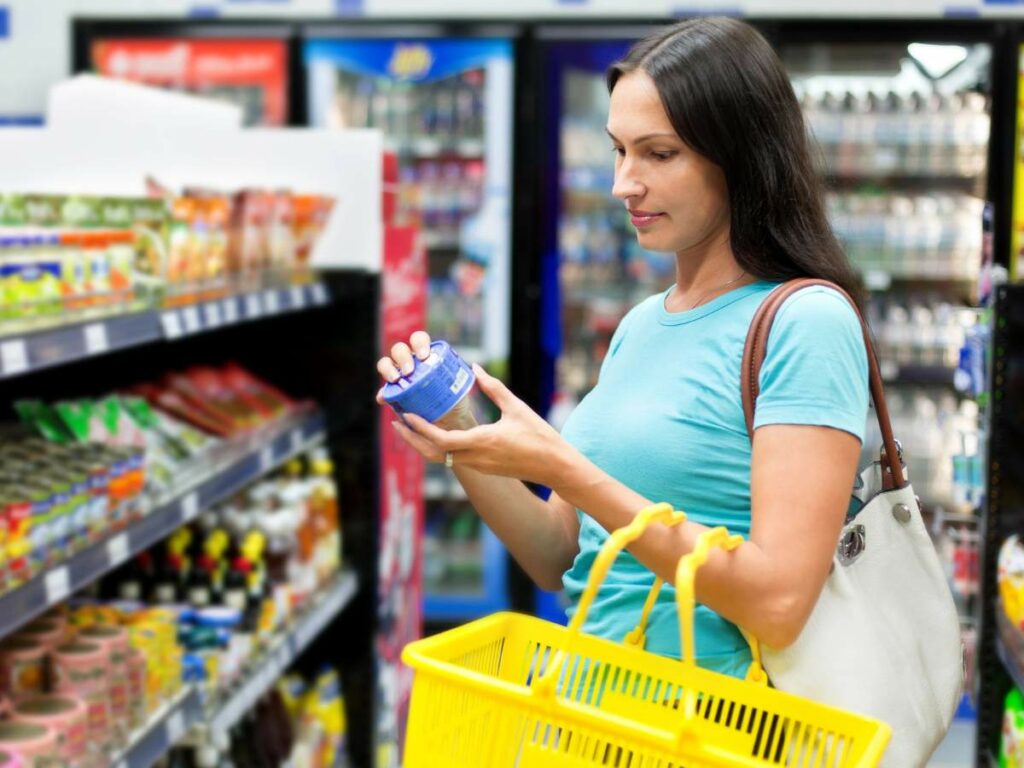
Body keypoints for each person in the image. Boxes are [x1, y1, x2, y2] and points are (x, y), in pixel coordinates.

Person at [377, 17, 869, 680]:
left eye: (658, 154)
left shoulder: (806, 323)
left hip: (707, 728)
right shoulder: (640, 325)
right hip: (592, 716)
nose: (623, 184)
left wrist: (566, 469)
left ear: (742, 156)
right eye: (618, 151)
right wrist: (463, 440)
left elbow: (777, 603)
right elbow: (559, 556)